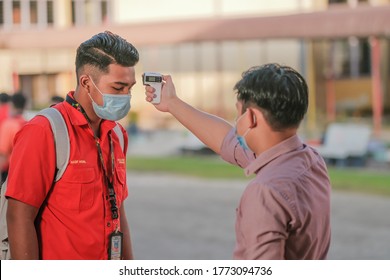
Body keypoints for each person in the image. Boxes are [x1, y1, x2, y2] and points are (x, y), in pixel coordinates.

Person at [144, 63, 331, 259]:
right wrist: (173, 103)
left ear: (250, 117)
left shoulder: (266, 192)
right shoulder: (311, 160)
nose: (236, 124)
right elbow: (226, 141)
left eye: (238, 114)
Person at [5, 31, 139, 260]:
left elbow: (119, 212)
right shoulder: (45, 131)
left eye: (130, 88)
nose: (126, 96)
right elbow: (19, 217)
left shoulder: (117, 134)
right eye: (118, 88)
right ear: (86, 82)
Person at [0, 92, 27, 183]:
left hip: (9, 170)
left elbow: (3, 153)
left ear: (11, 105)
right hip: (24, 169)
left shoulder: (8, 124)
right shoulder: (27, 123)